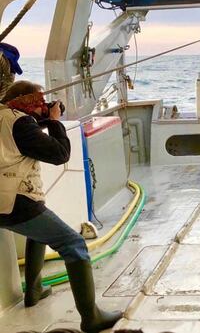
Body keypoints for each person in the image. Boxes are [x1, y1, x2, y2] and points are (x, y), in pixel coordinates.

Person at [0, 81, 122, 333]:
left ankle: (33, 290)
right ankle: (91, 318)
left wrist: (43, 120)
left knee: (41, 222)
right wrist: (55, 121)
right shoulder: (21, 124)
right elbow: (60, 154)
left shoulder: (8, 118)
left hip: (6, 200)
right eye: (39, 101)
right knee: (73, 244)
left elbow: (20, 136)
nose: (42, 104)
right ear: (26, 101)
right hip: (13, 203)